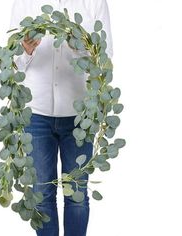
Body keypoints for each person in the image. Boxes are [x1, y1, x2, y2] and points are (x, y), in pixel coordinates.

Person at [9, 0, 113, 235]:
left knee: (76, 194)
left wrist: (82, 49)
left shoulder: (94, 3)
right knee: (42, 192)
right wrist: (25, 50)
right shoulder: (26, 3)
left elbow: (105, 57)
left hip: (80, 115)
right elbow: (14, 62)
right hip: (36, 113)